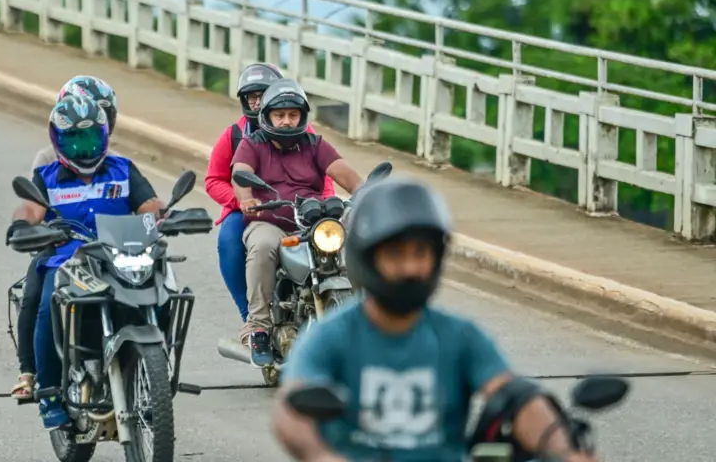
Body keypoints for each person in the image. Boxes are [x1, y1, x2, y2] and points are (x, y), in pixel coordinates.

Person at [271, 177, 597, 462]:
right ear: (367, 258)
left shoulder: (460, 335)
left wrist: (562, 448)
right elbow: (291, 410)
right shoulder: (330, 336)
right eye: (396, 255)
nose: (411, 267)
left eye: (420, 254)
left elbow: (515, 397)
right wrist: (321, 455)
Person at [5, 94, 165, 429]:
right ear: (57, 141)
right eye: (74, 139)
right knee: (49, 302)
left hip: (119, 256)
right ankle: (48, 392)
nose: (83, 148)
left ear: (105, 136)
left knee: (164, 290)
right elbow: (30, 209)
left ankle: (156, 374)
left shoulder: (123, 169)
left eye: (91, 137)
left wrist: (165, 217)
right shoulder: (47, 176)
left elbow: (150, 204)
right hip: (68, 260)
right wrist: (23, 225)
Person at [230, 78, 363, 367]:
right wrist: (247, 198)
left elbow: (348, 176)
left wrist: (368, 193)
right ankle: (259, 327)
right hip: (270, 221)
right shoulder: (252, 144)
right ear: (267, 116)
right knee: (262, 247)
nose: (287, 121)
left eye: (293, 114)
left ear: (302, 117)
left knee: (354, 245)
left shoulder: (316, 144)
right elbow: (240, 173)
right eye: (280, 115)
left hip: (313, 222)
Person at [9, 75, 119, 401]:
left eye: (100, 112)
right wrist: (33, 228)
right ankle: (30, 372)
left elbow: (141, 203)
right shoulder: (47, 160)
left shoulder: (117, 162)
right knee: (37, 298)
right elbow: (34, 206)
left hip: (108, 248)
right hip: (59, 246)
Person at [205, 63, 335, 321]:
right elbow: (213, 180)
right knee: (229, 240)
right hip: (250, 210)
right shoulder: (234, 136)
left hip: (298, 206)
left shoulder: (301, 131)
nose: (257, 102)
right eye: (251, 97)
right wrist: (243, 201)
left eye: (262, 95)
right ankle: (251, 317)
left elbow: (326, 173)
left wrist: (327, 202)